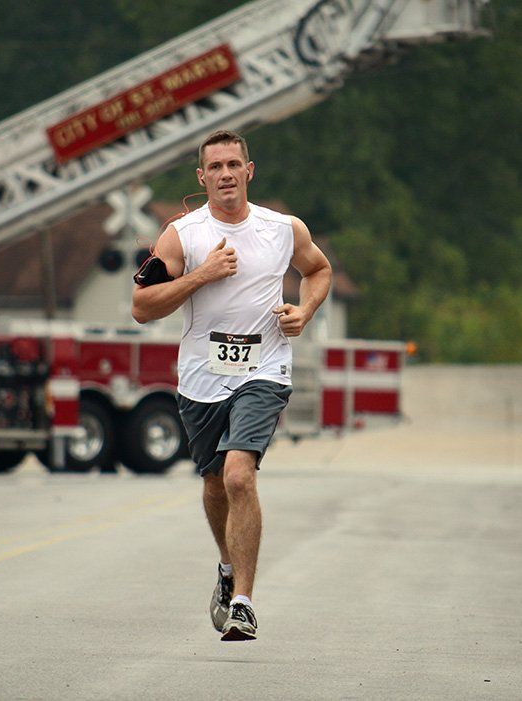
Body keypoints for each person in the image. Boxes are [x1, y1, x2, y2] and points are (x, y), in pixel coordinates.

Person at [131, 130, 331, 641]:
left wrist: (305, 311)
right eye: (215, 167)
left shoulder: (282, 229)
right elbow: (142, 308)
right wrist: (201, 275)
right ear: (202, 177)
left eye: (233, 164)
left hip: (264, 370)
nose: (225, 174)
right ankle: (226, 567)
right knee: (215, 482)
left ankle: (243, 601)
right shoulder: (181, 235)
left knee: (240, 475)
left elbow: (318, 270)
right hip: (202, 379)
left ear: (249, 171)